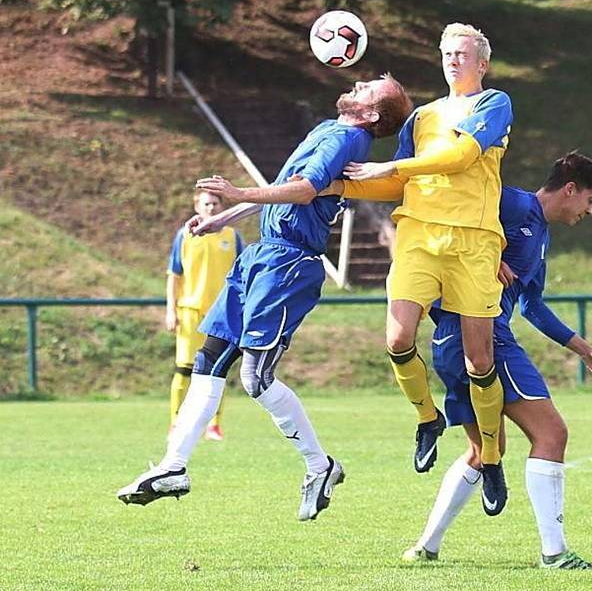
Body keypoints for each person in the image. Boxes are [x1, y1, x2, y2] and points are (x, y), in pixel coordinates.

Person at [117, 75, 414, 522]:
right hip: (261, 256)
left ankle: (321, 466)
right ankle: (172, 468)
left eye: (369, 86)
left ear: (371, 114)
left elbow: (306, 190)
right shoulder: (325, 129)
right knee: (208, 359)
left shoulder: (348, 138)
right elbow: (282, 186)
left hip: (289, 264)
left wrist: (238, 193)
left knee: (255, 378)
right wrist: (227, 217)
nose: (357, 81)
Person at [402, 153, 592, 569]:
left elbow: (533, 306)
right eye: (589, 201)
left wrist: (586, 350)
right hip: (485, 338)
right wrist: (483, 255)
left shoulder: (540, 238)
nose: (588, 212)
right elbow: (451, 216)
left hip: (453, 342)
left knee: (486, 449)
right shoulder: (510, 203)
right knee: (551, 434)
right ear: (569, 189)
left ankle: (426, 546)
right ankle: (554, 553)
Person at [342, 23, 514, 515]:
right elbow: (395, 183)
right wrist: (335, 186)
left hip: (475, 242)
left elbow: (460, 157)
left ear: (482, 63)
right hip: (419, 235)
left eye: (462, 53)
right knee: (397, 339)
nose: (452, 60)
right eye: (446, 53)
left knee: (478, 360)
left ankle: (493, 456)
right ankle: (426, 419)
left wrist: (390, 168)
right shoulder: (420, 116)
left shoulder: (495, 102)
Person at [166, 190, 244, 441]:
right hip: (190, 310)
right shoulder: (185, 235)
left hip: (221, 313)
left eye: (215, 203)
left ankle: (214, 424)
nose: (211, 208)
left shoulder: (232, 237)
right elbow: (174, 275)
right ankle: (176, 422)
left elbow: (241, 276)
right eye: (206, 204)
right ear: (197, 207)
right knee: (184, 370)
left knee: (217, 371)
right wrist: (171, 309)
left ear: (221, 206)